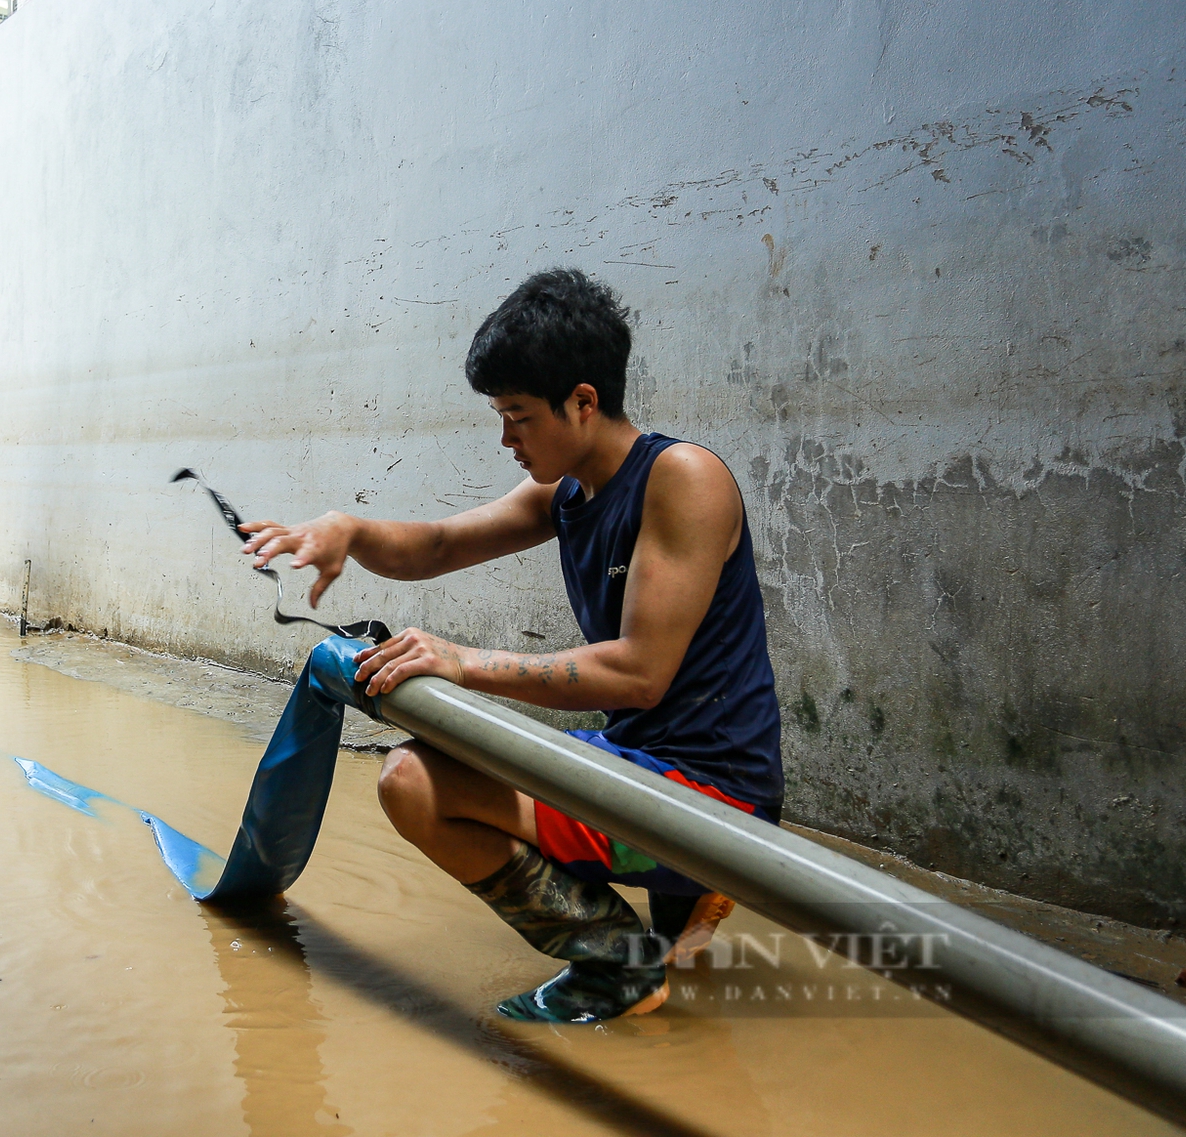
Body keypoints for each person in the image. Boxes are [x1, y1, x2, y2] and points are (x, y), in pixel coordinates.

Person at [240, 269, 783, 1024]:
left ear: (583, 402)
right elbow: (435, 547)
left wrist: (462, 662)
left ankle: (622, 965)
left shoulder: (683, 478)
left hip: (710, 794)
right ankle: (668, 917)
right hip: (636, 763)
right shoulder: (568, 494)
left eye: (518, 415)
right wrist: (349, 529)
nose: (506, 438)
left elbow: (639, 673)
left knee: (411, 782)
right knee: (432, 773)